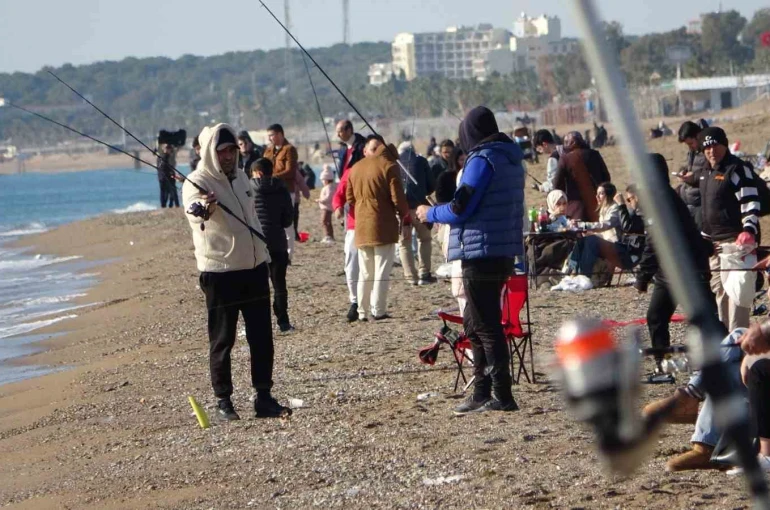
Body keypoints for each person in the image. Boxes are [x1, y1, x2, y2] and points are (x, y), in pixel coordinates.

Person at [416, 106, 524, 415]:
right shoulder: (511, 158)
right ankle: (481, 391)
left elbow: (461, 207)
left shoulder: (482, 160)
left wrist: (430, 213)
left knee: (486, 325)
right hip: (503, 250)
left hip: (481, 252)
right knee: (475, 323)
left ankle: (502, 394)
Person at [182, 123, 289, 420]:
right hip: (220, 273)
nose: (229, 156)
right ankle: (223, 402)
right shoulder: (195, 181)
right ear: (210, 153)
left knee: (262, 337)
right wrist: (206, 206)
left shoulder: (242, 177)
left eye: (232, 150)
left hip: (254, 267)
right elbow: (194, 212)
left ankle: (263, 397)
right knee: (222, 339)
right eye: (222, 151)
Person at [633, 154, 718, 373]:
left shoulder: (658, 197)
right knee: (656, 316)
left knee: (704, 318)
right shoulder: (661, 194)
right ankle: (664, 364)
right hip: (668, 271)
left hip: (689, 268)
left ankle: (720, 358)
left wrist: (642, 275)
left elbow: (654, 242)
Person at [692, 126, 761, 331]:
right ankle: (725, 338)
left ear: (724, 144)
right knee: (720, 291)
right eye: (707, 148)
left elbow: (751, 202)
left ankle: (738, 339)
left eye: (715, 146)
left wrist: (748, 230)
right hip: (714, 244)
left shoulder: (738, 169)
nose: (711, 151)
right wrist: (704, 239)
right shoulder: (705, 172)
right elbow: (706, 208)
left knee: (738, 293)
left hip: (737, 242)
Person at [347, 135, 411, 321]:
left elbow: (350, 199)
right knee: (382, 270)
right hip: (383, 224)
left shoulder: (356, 167)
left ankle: (362, 311)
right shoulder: (389, 166)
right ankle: (379, 310)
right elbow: (398, 199)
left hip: (361, 225)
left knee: (365, 271)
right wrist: (404, 214)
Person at [250, 158, 295, 333]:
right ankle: (283, 321)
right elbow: (287, 219)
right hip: (278, 242)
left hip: (257, 243)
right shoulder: (281, 187)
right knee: (279, 284)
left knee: (257, 287)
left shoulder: (248, 189)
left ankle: (260, 324)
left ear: (258, 173)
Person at [332, 120, 367, 322]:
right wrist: (338, 205)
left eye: (340, 131)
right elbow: (342, 187)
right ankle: (355, 301)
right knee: (351, 260)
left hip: (370, 217)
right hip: (353, 217)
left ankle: (368, 303)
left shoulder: (361, 147)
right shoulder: (344, 153)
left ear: (349, 130)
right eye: (336, 131)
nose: (338, 135)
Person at [567, 182, 634, 279]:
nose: (597, 196)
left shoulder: (614, 209)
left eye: (601, 193)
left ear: (609, 195)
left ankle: (584, 275)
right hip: (607, 243)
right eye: (597, 193)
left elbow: (605, 225)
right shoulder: (604, 209)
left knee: (591, 240)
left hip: (617, 246)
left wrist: (584, 225)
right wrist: (589, 232)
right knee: (582, 240)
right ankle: (570, 271)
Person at [397, 140, 436, 286]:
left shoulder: (394, 163)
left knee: (404, 243)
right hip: (421, 208)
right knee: (425, 239)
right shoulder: (422, 161)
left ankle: (410, 277)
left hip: (402, 210)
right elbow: (431, 185)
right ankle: (424, 273)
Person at [553, 131, 611, 221]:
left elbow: (557, 186)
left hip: (575, 210)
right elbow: (606, 179)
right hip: (598, 206)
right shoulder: (595, 154)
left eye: (566, 142)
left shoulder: (565, 159)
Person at [263, 124, 299, 259]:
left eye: (271, 135)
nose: (270, 138)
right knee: (271, 223)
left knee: (287, 224)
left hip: (285, 190)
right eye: (269, 136)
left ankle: (288, 255)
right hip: (270, 191)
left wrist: (272, 177)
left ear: (280, 134)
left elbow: (290, 171)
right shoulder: (268, 151)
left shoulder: (289, 150)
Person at [675, 121, 707, 230]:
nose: (690, 146)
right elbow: (691, 168)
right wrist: (683, 171)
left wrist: (694, 177)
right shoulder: (692, 152)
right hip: (688, 200)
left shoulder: (709, 152)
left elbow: (713, 173)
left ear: (698, 136)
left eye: (690, 143)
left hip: (701, 204)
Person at [532, 129, 564, 193]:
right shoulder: (564, 150)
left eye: (539, 148)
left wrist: (541, 187)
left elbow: (553, 184)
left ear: (545, 145)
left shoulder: (553, 158)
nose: (539, 151)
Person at [317, 164, 337, 243]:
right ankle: (330, 236)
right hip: (325, 207)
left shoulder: (329, 187)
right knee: (327, 221)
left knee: (325, 221)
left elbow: (328, 198)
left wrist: (320, 200)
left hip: (327, 207)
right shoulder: (329, 187)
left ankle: (328, 236)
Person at [157, 143, 180, 208]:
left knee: (165, 192)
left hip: (162, 177)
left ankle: (165, 205)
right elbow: (163, 167)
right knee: (169, 192)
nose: (170, 151)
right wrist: (171, 173)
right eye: (168, 149)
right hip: (165, 177)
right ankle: (169, 205)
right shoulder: (164, 156)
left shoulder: (161, 156)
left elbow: (162, 167)